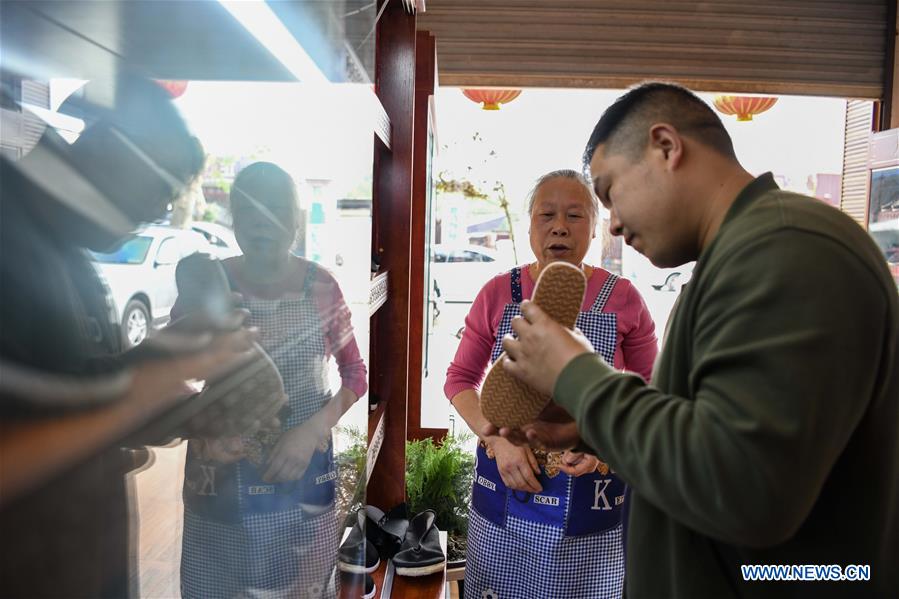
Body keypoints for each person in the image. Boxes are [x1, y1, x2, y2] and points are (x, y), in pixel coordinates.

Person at [491, 83, 899, 598]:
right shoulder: (742, 255)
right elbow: (706, 433)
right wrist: (585, 427)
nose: (612, 223)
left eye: (610, 191)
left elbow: (745, 488)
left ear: (666, 147)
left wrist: (578, 375)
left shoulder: (789, 248)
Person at [0, 73, 254, 597]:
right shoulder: (10, 241)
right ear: (114, 155)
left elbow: (74, 399)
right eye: (157, 194)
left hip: (79, 563)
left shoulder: (69, 257)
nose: (151, 217)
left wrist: (188, 412)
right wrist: (157, 368)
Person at [444, 169, 658, 598]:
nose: (559, 225)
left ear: (595, 230)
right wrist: (499, 441)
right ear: (529, 226)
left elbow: (652, 393)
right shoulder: (497, 293)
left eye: (575, 215)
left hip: (590, 508)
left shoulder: (624, 299)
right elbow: (460, 380)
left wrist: (604, 449)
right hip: (507, 495)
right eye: (547, 214)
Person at [179, 162, 368, 598]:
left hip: (301, 473)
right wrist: (204, 426)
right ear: (232, 217)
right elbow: (175, 374)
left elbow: (355, 374)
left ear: (297, 220)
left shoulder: (321, 286)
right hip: (220, 476)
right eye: (250, 210)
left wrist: (312, 431)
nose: (263, 222)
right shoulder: (210, 284)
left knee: (299, 587)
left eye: (278, 209)